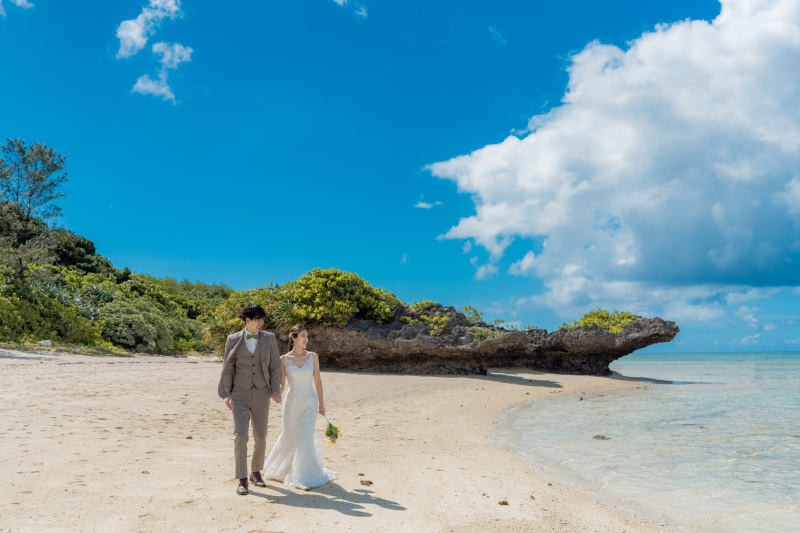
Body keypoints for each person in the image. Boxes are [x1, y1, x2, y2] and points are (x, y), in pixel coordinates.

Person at [263, 324, 338, 490]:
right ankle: (286, 470)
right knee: (290, 435)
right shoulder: (283, 360)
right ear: (293, 338)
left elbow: (317, 381)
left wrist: (321, 403)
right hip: (292, 404)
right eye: (303, 336)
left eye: (307, 336)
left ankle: (300, 477)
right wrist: (276, 393)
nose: (306, 339)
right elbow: (282, 384)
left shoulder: (313, 356)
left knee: (305, 437)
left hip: (310, 402)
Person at [217, 304, 282, 496]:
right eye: (258, 319)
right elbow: (228, 367)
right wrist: (227, 393)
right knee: (241, 435)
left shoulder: (269, 338)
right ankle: (242, 478)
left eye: (263, 319)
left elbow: (274, 366)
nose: (261, 323)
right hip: (239, 392)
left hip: (262, 392)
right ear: (248, 320)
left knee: (260, 436)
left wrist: (275, 390)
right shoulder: (233, 339)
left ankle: (256, 472)